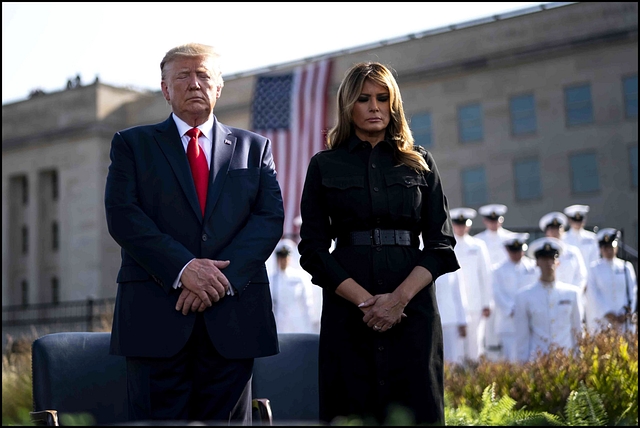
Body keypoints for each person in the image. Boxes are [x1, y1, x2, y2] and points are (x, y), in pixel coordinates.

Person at [104, 43, 285, 423]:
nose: (194, 83)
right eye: (183, 76)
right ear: (166, 89)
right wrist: (183, 268)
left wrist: (218, 279)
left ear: (219, 87)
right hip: (156, 319)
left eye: (203, 75)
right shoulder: (132, 145)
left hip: (232, 320)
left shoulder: (255, 148)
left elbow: (268, 220)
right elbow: (123, 216)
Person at [298, 61, 459, 425]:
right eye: (364, 99)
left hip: (412, 311)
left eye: (383, 98)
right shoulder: (324, 165)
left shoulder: (420, 162)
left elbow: (441, 244)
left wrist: (398, 300)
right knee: (352, 409)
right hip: (348, 313)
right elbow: (312, 249)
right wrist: (367, 304)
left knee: (418, 409)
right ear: (348, 106)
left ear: (394, 104)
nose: (374, 107)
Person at [514, 237, 582, 363]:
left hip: (566, 361)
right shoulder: (524, 296)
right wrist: (523, 365)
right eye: (544, 259)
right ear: (537, 263)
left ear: (558, 262)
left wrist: (579, 360)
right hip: (538, 362)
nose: (548, 263)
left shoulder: (572, 294)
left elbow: (577, 331)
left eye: (552, 258)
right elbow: (522, 337)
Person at [449, 207, 493, 361]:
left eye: (464, 224)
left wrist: (487, 302)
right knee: (456, 346)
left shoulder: (478, 245)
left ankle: (474, 376)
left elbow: (485, 275)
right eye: (457, 224)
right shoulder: (448, 244)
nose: (461, 227)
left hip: (475, 302)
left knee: (475, 343)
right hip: (454, 304)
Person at [474, 203, 514, 361]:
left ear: (501, 219)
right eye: (490, 220)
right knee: (489, 332)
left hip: (507, 293)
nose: (493, 223)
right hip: (487, 293)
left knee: (509, 329)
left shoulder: (511, 239)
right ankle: (492, 366)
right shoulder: (478, 241)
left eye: (496, 219)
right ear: (484, 221)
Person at [491, 233, 539, 362]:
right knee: (511, 358)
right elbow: (497, 293)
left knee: (531, 357)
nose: (516, 254)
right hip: (509, 321)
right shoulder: (498, 270)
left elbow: (536, 289)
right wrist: (512, 309)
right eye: (513, 251)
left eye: (519, 250)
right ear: (507, 250)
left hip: (530, 318)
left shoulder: (534, 267)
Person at [585, 228, 637, 334]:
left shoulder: (626, 267)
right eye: (605, 248)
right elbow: (593, 294)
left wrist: (626, 312)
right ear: (600, 249)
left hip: (624, 320)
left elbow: (633, 292)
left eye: (611, 247)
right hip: (603, 320)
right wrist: (608, 313)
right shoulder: (594, 268)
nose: (609, 251)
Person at [268, 240, 321, 334]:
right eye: (281, 257)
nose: (283, 260)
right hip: (280, 324)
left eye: (286, 257)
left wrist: (311, 323)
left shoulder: (299, 277)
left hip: (299, 324)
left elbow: (307, 302)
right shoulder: (272, 280)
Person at [539, 212, 588, 295]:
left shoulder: (573, 251)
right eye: (552, 229)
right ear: (546, 232)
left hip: (571, 297)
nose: (555, 231)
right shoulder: (540, 253)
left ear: (563, 230)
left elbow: (581, 276)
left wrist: (574, 294)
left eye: (558, 228)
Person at [434, 270, 467, 365]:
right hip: (432, 320)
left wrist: (463, 321)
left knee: (453, 357)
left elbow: (459, 295)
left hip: (450, 320)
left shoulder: (453, 268)